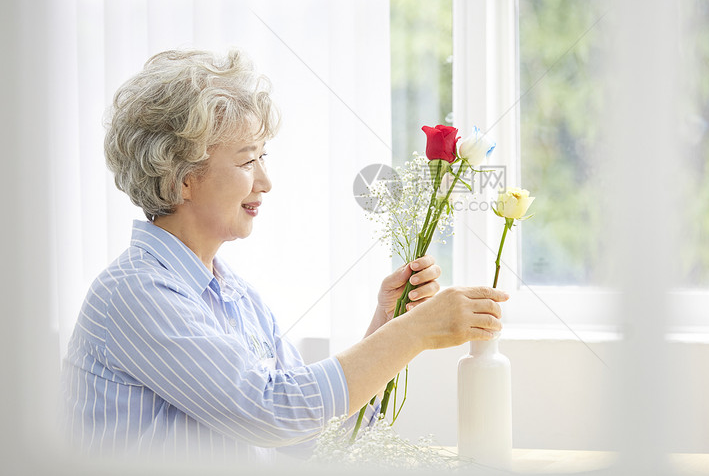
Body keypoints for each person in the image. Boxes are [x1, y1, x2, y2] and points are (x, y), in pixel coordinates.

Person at [60, 49, 508, 462]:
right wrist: (413, 334)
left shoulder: (235, 296)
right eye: (246, 161)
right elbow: (271, 412)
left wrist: (388, 323)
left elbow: (314, 433)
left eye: (263, 157)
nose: (265, 181)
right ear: (182, 178)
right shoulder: (135, 292)